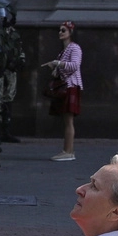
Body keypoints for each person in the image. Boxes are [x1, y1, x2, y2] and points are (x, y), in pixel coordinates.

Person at [45, 21, 82, 162]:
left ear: (70, 33)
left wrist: (58, 63)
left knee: (68, 120)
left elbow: (74, 65)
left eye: (63, 30)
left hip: (71, 86)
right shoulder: (65, 50)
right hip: (67, 85)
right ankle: (68, 150)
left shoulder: (75, 48)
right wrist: (55, 68)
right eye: (60, 30)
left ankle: (68, 151)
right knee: (67, 120)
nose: (60, 33)